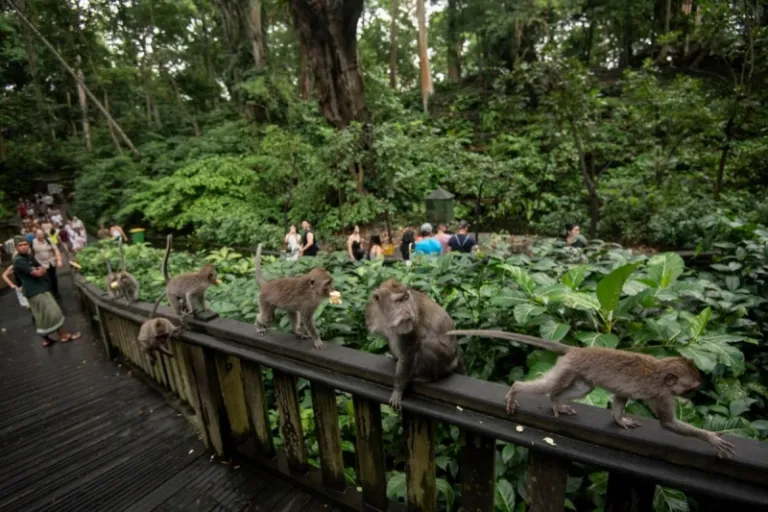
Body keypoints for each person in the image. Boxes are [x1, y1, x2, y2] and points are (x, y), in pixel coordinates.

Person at [12, 237, 81, 347]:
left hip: (38, 289)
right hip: (35, 291)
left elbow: (40, 267)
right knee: (54, 312)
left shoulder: (28, 257)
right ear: (16, 247)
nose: (24, 246)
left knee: (42, 315)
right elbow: (38, 273)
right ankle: (64, 335)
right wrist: (39, 270)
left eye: (25, 244)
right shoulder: (19, 261)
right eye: (21, 245)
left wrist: (39, 270)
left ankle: (47, 339)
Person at [32, 228, 63, 299]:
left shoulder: (49, 240)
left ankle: (56, 292)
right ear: (35, 235)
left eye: (42, 234)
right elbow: (30, 253)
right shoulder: (33, 242)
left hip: (51, 262)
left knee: (53, 278)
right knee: (46, 279)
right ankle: (49, 293)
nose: (41, 236)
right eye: (39, 235)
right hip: (41, 264)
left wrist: (59, 260)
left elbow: (56, 249)